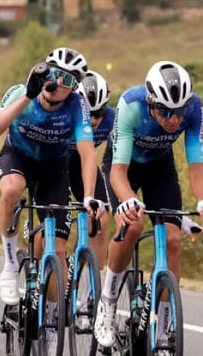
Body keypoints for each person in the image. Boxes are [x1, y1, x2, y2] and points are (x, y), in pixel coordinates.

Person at [94, 61, 203, 350]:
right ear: (151, 102)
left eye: (179, 111)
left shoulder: (193, 109)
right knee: (133, 225)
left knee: (174, 240)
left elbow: (196, 164)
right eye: (166, 112)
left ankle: (163, 325)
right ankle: (108, 302)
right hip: (123, 166)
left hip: (160, 168)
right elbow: (117, 172)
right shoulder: (132, 105)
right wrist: (128, 200)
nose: (174, 119)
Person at [0, 48, 104, 317]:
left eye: (68, 80)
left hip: (53, 167)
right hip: (18, 157)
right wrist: (26, 96)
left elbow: (87, 151)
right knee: (12, 189)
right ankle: (11, 264)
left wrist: (89, 195)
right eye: (55, 75)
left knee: (58, 251)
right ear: (45, 72)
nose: (58, 83)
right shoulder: (23, 92)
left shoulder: (77, 105)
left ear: (74, 89)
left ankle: (50, 323)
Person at [70, 70, 115, 297]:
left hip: (83, 166)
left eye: (99, 112)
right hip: (55, 163)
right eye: (88, 113)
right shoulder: (66, 112)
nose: (94, 120)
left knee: (101, 218)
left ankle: (87, 294)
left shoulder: (112, 120)